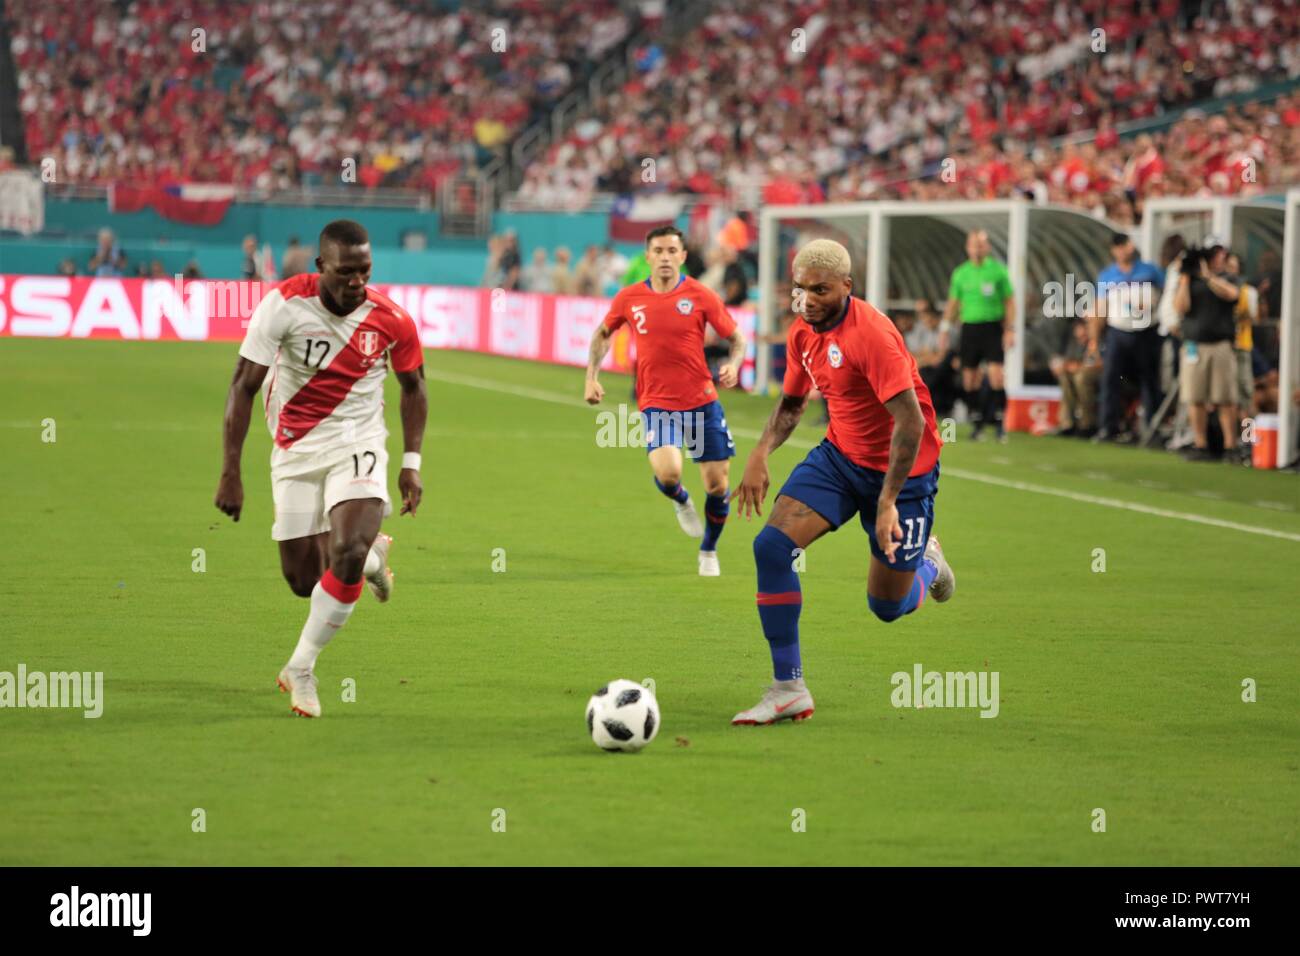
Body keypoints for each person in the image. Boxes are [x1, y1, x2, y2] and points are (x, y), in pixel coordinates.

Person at [731, 239, 953, 726]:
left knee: (886, 607)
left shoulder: (871, 335)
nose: (808, 299)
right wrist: (759, 452)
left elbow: (910, 423)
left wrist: (889, 502)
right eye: (800, 289)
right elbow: (792, 405)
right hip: (839, 458)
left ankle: (929, 566)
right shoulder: (802, 334)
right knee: (770, 548)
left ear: (847, 287)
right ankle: (788, 688)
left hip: (904, 474)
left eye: (821, 290)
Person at [214, 219, 428, 718]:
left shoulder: (391, 319)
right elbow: (243, 387)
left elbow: (414, 389)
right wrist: (230, 471)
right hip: (294, 449)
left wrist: (411, 464)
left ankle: (302, 667)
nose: (357, 282)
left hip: (359, 441)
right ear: (320, 268)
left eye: (365, 271)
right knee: (302, 580)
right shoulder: (284, 306)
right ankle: (374, 562)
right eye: (346, 272)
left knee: (346, 549)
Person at [584, 225, 747, 577]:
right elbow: (602, 334)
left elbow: (737, 338)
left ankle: (709, 549)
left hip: (702, 402)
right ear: (648, 256)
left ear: (683, 256)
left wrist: (733, 365)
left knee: (717, 485)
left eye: (672, 251)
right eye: (658, 251)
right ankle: (681, 500)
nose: (665, 257)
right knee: (669, 473)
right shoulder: (629, 297)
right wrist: (591, 377)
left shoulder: (701, 295)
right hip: (657, 403)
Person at [1088, 233, 1164, 443]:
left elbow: (1166, 296)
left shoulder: (1150, 271)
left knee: (1149, 380)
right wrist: (1094, 339)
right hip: (1118, 332)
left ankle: (1151, 428)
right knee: (1110, 378)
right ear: (1113, 250)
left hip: (1147, 331)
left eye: (1125, 246)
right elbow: (1099, 308)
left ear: (1132, 246)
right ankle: (1108, 427)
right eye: (1118, 247)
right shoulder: (1107, 275)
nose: (1123, 250)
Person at [1172, 239, 1240, 462]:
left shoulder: (1226, 277)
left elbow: (1232, 294)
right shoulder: (1188, 280)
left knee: (1225, 397)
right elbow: (1180, 308)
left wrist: (1208, 276)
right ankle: (1200, 444)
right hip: (1194, 344)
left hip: (1220, 344)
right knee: (1195, 397)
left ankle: (1230, 446)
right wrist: (1185, 277)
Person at [942, 230, 1014, 441]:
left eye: (981, 245)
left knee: (996, 376)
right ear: (968, 247)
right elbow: (953, 303)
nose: (977, 249)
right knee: (969, 379)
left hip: (992, 328)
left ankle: (1000, 424)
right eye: (974, 245)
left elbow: (1009, 301)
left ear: (988, 247)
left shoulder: (998, 271)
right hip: (969, 328)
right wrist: (945, 328)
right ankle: (977, 423)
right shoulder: (961, 273)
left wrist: (1010, 330)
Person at [1051, 319, 1102, 437]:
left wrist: (1077, 366)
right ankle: (1066, 423)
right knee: (1065, 376)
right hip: (1082, 373)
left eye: (1084, 333)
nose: (1081, 337)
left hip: (1099, 376)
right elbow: (1070, 362)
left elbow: (1100, 362)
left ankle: (1087, 424)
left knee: (1080, 378)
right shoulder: (1076, 344)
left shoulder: (1098, 340)